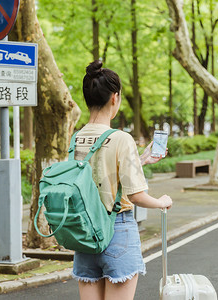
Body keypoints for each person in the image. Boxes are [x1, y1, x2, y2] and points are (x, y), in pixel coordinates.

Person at [72, 60, 173, 300]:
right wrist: (162, 202)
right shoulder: (120, 138)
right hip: (117, 231)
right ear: (114, 98)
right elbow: (136, 195)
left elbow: (93, 175)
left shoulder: (75, 137)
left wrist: (140, 160)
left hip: (84, 234)